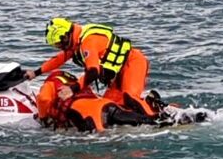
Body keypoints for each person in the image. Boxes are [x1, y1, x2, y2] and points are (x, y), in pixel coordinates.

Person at [25, 18, 156, 117]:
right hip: (118, 73)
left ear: (65, 36)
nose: (60, 47)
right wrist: (36, 73)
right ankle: (151, 103)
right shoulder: (76, 41)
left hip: (133, 63)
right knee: (111, 108)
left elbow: (93, 72)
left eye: (59, 44)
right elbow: (59, 59)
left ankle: (157, 120)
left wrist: (73, 88)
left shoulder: (88, 42)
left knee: (130, 98)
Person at [36, 70, 157, 132]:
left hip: (89, 115)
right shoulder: (77, 83)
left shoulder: (51, 82)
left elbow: (43, 99)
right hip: (106, 104)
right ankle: (165, 118)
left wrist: (43, 120)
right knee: (146, 122)